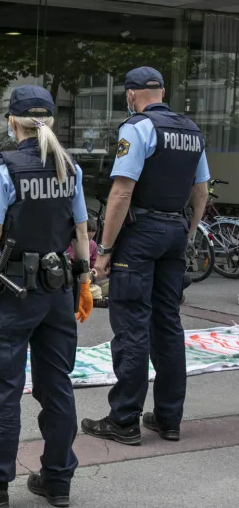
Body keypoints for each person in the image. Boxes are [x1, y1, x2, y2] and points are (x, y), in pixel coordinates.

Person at [0, 85, 93, 508]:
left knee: (5, 391)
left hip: (13, 296)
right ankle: (57, 479)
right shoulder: (71, 167)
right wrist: (83, 281)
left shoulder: (3, 168)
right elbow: (81, 232)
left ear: (12, 121)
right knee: (57, 388)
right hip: (57, 292)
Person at [81, 67, 210, 446]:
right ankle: (169, 418)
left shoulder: (137, 128)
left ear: (131, 94)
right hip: (174, 231)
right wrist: (186, 235)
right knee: (168, 324)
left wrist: (104, 250)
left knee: (133, 325)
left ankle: (123, 420)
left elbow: (122, 192)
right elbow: (200, 192)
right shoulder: (191, 130)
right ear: (164, 92)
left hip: (140, 235)